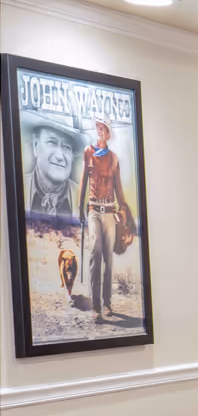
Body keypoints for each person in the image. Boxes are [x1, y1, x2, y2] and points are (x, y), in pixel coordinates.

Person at [78, 118, 132, 322]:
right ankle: (96, 306)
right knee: (95, 254)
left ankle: (107, 303)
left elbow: (118, 186)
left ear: (108, 134)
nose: (99, 130)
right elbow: (84, 178)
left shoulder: (114, 158)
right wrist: (79, 206)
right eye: (98, 127)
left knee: (108, 258)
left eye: (103, 128)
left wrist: (123, 208)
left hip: (109, 210)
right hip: (93, 209)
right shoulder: (88, 152)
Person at [21, 111, 80, 219]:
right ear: (35, 146)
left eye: (67, 147)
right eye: (51, 142)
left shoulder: (85, 198)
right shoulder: (18, 188)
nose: (59, 156)